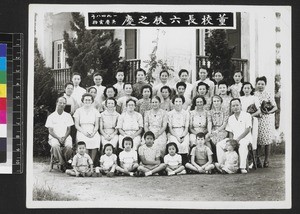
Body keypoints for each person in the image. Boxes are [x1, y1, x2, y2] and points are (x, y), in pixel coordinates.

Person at [216, 98, 252, 174]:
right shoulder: (230, 118)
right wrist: (231, 142)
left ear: (241, 106)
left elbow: (248, 130)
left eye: (237, 105)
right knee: (219, 145)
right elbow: (230, 132)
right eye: (233, 106)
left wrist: (237, 140)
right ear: (231, 108)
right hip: (234, 139)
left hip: (245, 138)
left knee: (242, 144)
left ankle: (242, 167)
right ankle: (223, 166)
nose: (235, 107)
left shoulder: (247, 115)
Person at [45, 97, 74, 171]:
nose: (62, 104)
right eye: (60, 102)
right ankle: (64, 163)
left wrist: (64, 137)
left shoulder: (67, 115)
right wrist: (58, 138)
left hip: (66, 136)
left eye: (64, 103)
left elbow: (69, 129)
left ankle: (62, 162)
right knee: (55, 146)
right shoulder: (51, 116)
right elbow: (50, 131)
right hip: (54, 137)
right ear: (56, 103)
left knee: (69, 147)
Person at [254, 76, 278, 168]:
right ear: (256, 85)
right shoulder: (254, 94)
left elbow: (275, 107)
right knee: (257, 139)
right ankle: (258, 159)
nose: (260, 86)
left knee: (267, 139)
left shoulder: (268, 94)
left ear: (265, 85)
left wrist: (268, 111)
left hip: (266, 119)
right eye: (259, 84)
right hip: (256, 118)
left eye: (262, 84)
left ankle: (267, 159)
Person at [73, 93, 101, 164]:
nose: (87, 101)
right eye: (86, 100)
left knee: (95, 139)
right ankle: (84, 162)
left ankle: (91, 162)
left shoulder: (95, 111)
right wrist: (84, 132)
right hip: (81, 130)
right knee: (84, 141)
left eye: (89, 100)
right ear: (82, 101)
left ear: (92, 101)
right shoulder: (78, 111)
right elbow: (76, 125)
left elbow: (97, 125)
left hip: (92, 129)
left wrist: (93, 133)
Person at [240, 82, 261, 164]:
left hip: (252, 119)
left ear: (251, 89)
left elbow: (259, 111)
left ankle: (252, 161)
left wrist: (250, 116)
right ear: (242, 89)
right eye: (245, 88)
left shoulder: (254, 98)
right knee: (244, 138)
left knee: (253, 138)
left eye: (248, 88)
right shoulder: (240, 98)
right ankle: (244, 160)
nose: (246, 90)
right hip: (242, 121)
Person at [168, 95, 190, 165]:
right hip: (173, 132)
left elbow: (186, 128)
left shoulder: (186, 113)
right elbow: (170, 128)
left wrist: (183, 136)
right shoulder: (170, 113)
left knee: (184, 144)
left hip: (183, 131)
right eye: (176, 101)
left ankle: (184, 163)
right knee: (175, 144)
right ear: (173, 103)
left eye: (180, 101)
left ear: (182, 102)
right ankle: (174, 163)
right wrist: (177, 137)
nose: (178, 103)